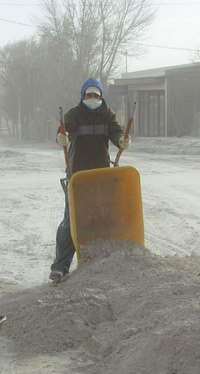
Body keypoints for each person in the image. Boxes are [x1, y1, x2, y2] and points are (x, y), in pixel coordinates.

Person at [49, 78, 131, 282]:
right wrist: (62, 135)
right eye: (89, 95)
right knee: (71, 222)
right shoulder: (74, 114)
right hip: (77, 176)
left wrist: (122, 140)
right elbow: (65, 128)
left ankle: (103, 263)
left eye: (96, 95)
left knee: (103, 220)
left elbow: (116, 131)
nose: (92, 98)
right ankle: (60, 266)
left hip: (102, 176)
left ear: (101, 96)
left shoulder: (107, 114)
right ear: (83, 96)